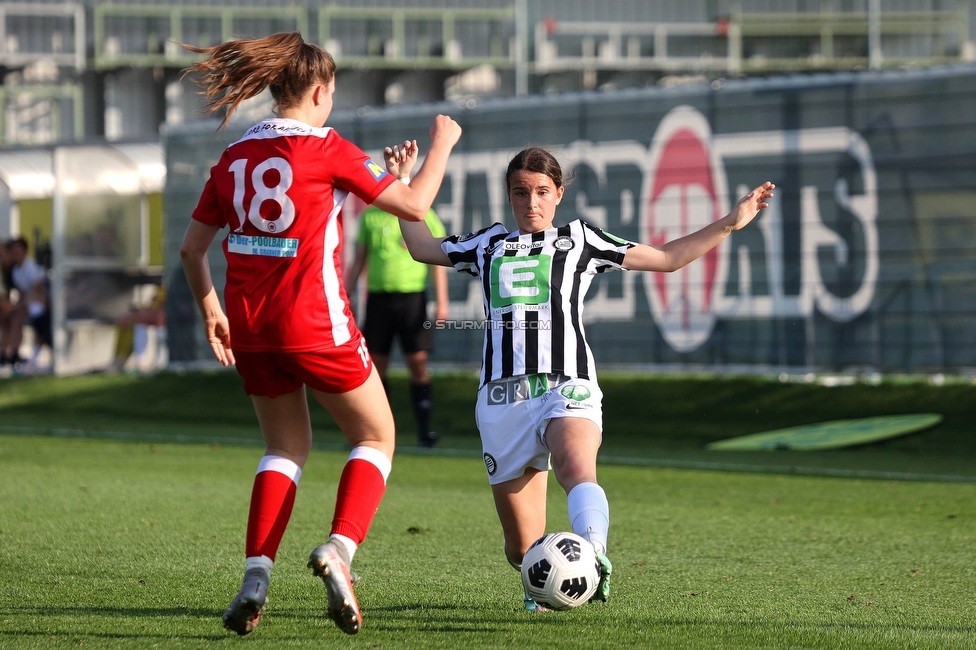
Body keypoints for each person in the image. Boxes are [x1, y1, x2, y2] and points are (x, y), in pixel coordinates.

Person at [396, 144, 774, 612]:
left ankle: (593, 554)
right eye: (520, 192)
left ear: (558, 195)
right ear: (509, 197)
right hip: (501, 401)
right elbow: (419, 246)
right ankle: (543, 576)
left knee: (576, 467)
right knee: (521, 549)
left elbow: (667, 258)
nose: (530, 202)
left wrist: (730, 223)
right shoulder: (487, 245)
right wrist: (404, 184)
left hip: (566, 383)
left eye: (540, 192)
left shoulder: (582, 240)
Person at [177, 32, 461, 636]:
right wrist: (442, 145)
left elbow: (192, 249)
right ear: (318, 91)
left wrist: (211, 312)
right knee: (377, 435)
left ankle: (256, 576)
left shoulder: (233, 158)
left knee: (283, 449)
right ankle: (339, 549)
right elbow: (414, 206)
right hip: (314, 323)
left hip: (251, 327)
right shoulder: (327, 148)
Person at [345, 153, 449, 448]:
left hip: (412, 299)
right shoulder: (371, 215)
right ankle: (377, 431)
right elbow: (359, 259)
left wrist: (442, 301)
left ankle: (424, 431)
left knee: (418, 363)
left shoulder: (422, 213)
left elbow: (438, 260)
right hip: (378, 299)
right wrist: (346, 291)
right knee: (375, 367)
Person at [1, 237, 51, 367]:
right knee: (12, 317)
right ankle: (13, 352)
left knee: (33, 312)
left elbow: (38, 291)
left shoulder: (32, 266)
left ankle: (39, 350)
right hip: (27, 303)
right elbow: (22, 294)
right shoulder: (16, 271)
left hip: (41, 304)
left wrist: (20, 306)